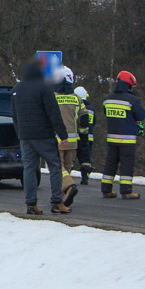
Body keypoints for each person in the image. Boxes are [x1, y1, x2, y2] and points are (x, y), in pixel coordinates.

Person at [11, 60, 71, 215]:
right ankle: (57, 202)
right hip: (44, 135)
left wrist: (20, 133)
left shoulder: (16, 89)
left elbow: (14, 115)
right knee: (55, 167)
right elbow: (54, 113)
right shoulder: (44, 88)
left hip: (25, 136)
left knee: (29, 169)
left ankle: (31, 205)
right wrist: (63, 134)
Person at [101, 71, 145, 200]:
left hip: (111, 138)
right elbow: (141, 115)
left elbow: (106, 113)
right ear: (128, 85)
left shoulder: (107, 99)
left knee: (110, 163)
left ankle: (106, 189)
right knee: (126, 164)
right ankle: (126, 191)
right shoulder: (132, 99)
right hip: (127, 139)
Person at [54, 66, 89, 207]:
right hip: (73, 142)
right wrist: (83, 134)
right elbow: (84, 119)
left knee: (58, 168)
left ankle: (69, 187)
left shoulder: (53, 97)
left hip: (57, 140)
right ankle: (64, 197)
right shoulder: (77, 99)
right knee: (67, 168)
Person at [73, 86, 95, 185]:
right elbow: (93, 123)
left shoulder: (75, 106)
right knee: (86, 159)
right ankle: (85, 178)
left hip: (75, 137)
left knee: (70, 158)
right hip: (88, 138)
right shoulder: (91, 109)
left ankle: (67, 178)